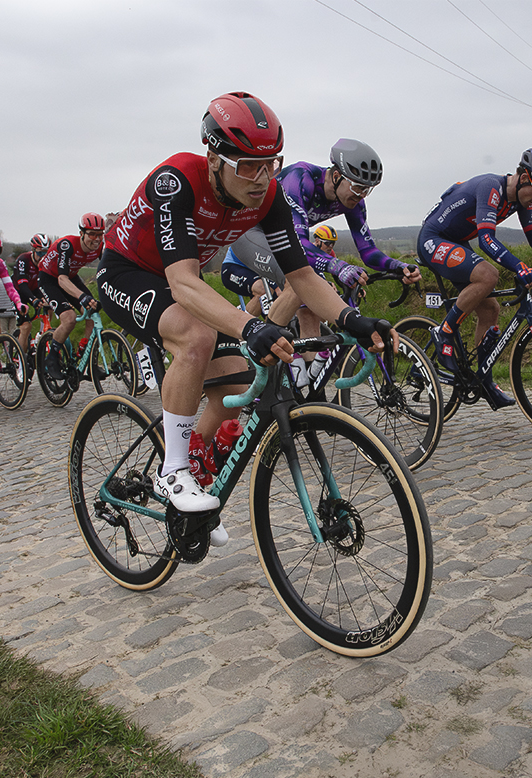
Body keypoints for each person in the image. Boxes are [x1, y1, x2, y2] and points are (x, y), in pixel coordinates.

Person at [96, 91, 394, 547]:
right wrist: (251, 326)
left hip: (180, 280)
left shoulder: (268, 195)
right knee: (195, 336)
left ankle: (194, 472)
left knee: (240, 380)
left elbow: (300, 275)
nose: (262, 178)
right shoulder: (177, 180)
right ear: (214, 159)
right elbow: (183, 283)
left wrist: (353, 320)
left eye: (271, 164)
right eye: (249, 166)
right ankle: (173, 471)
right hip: (128, 272)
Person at [219, 138, 419, 385]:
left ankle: (310, 383)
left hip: (280, 240)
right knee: (298, 284)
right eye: (358, 187)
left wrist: (398, 266)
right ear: (336, 176)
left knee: (310, 307)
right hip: (251, 234)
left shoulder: (352, 200)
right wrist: (336, 265)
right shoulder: (300, 178)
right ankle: (267, 365)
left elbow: (367, 250)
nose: (361, 195)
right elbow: (298, 243)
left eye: (367, 190)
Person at [417, 146, 532, 409]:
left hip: (457, 243)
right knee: (488, 275)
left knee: (490, 310)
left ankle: (483, 380)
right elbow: (486, 239)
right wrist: (520, 267)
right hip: (433, 239)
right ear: (524, 178)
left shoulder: (520, 199)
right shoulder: (491, 187)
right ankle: (444, 333)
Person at [36, 214, 105, 380]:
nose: (96, 239)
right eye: (92, 234)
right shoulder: (67, 245)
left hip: (71, 277)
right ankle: (52, 358)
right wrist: (82, 296)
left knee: (92, 312)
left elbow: (108, 271)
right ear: (81, 233)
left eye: (99, 234)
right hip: (50, 279)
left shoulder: (100, 247)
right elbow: (61, 279)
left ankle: (87, 356)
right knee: (69, 318)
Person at [12, 233, 49, 353]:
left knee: (49, 304)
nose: (43, 257)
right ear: (33, 250)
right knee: (26, 326)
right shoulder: (23, 260)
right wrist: (33, 300)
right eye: (40, 253)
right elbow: (22, 285)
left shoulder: (47, 263)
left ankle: (42, 334)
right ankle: (21, 358)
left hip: (34, 288)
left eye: (46, 253)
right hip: (18, 292)